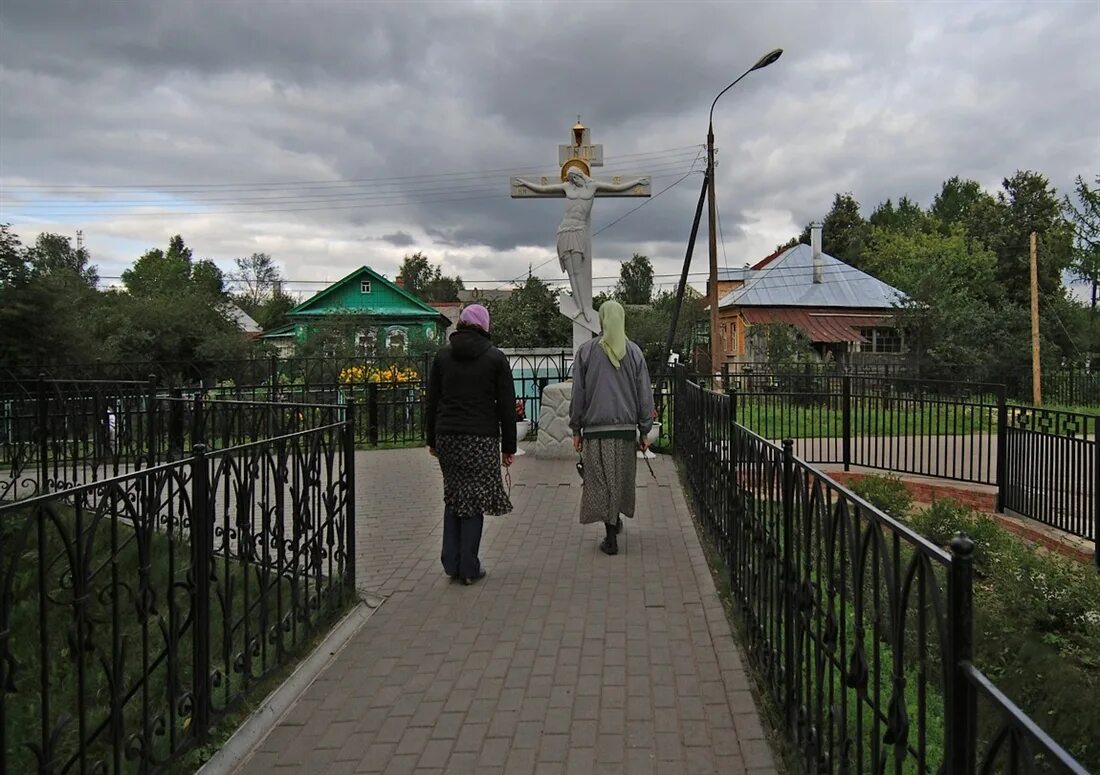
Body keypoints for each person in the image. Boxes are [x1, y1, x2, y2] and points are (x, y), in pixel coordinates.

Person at [426, 304, 517, 584]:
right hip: (481, 438)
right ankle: (468, 566)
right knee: (474, 499)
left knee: (454, 495)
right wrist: (509, 447)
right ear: (484, 325)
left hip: (448, 438)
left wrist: (432, 439)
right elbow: (505, 406)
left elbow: (432, 402)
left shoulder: (442, 357)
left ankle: (451, 561)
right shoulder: (495, 359)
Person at [569, 300, 654, 555]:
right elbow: (644, 395)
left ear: (602, 320)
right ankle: (614, 523)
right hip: (626, 432)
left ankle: (610, 535)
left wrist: (576, 429)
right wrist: (645, 429)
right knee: (619, 479)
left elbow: (579, 395)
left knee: (601, 482)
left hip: (595, 433)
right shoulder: (634, 352)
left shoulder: (586, 352)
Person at [514, 169, 649, 327]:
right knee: (571, 273)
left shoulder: (593, 186)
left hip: (579, 230)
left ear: (580, 176)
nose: (573, 181)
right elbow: (542, 189)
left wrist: (637, 182)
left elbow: (616, 187)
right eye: (570, 179)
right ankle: (579, 307)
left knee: (578, 271)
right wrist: (524, 183)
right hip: (565, 230)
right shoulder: (566, 187)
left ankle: (585, 307)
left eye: (574, 178)